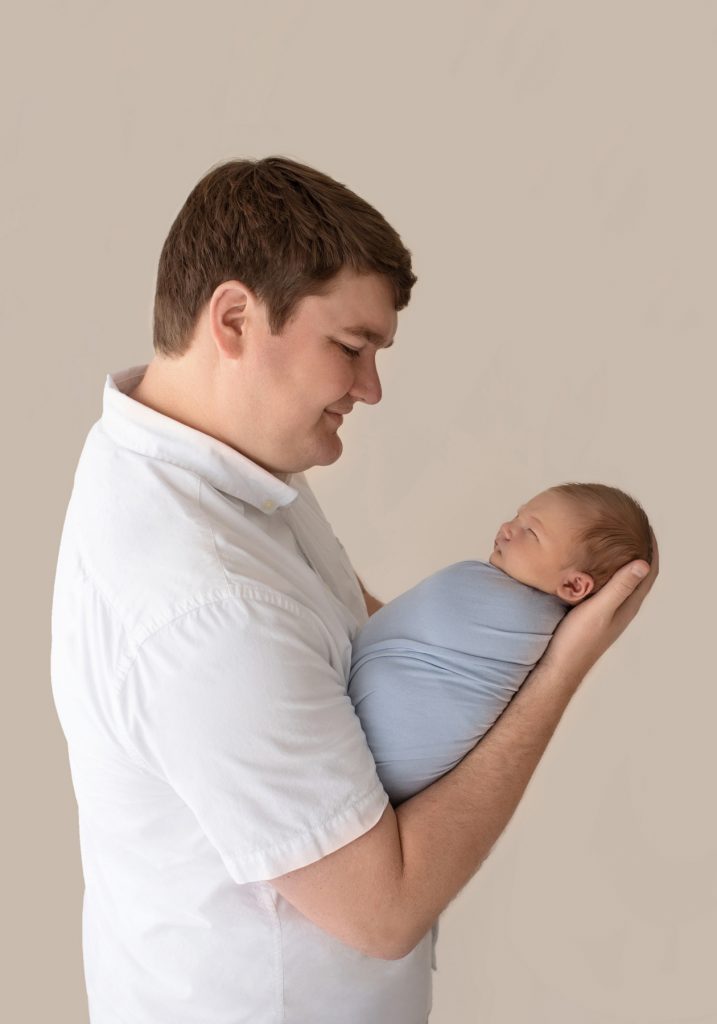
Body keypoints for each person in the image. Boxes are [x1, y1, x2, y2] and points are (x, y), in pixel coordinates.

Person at [50, 157, 657, 1024]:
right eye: (350, 347)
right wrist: (560, 665)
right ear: (233, 318)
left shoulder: (210, 463)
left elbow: (331, 626)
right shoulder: (205, 601)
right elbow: (382, 911)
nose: (370, 388)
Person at [349, 483, 654, 806]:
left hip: (368, 763)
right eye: (516, 517)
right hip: (371, 770)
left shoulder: (524, 618)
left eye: (531, 532)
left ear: (574, 584)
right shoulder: (513, 609)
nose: (507, 529)